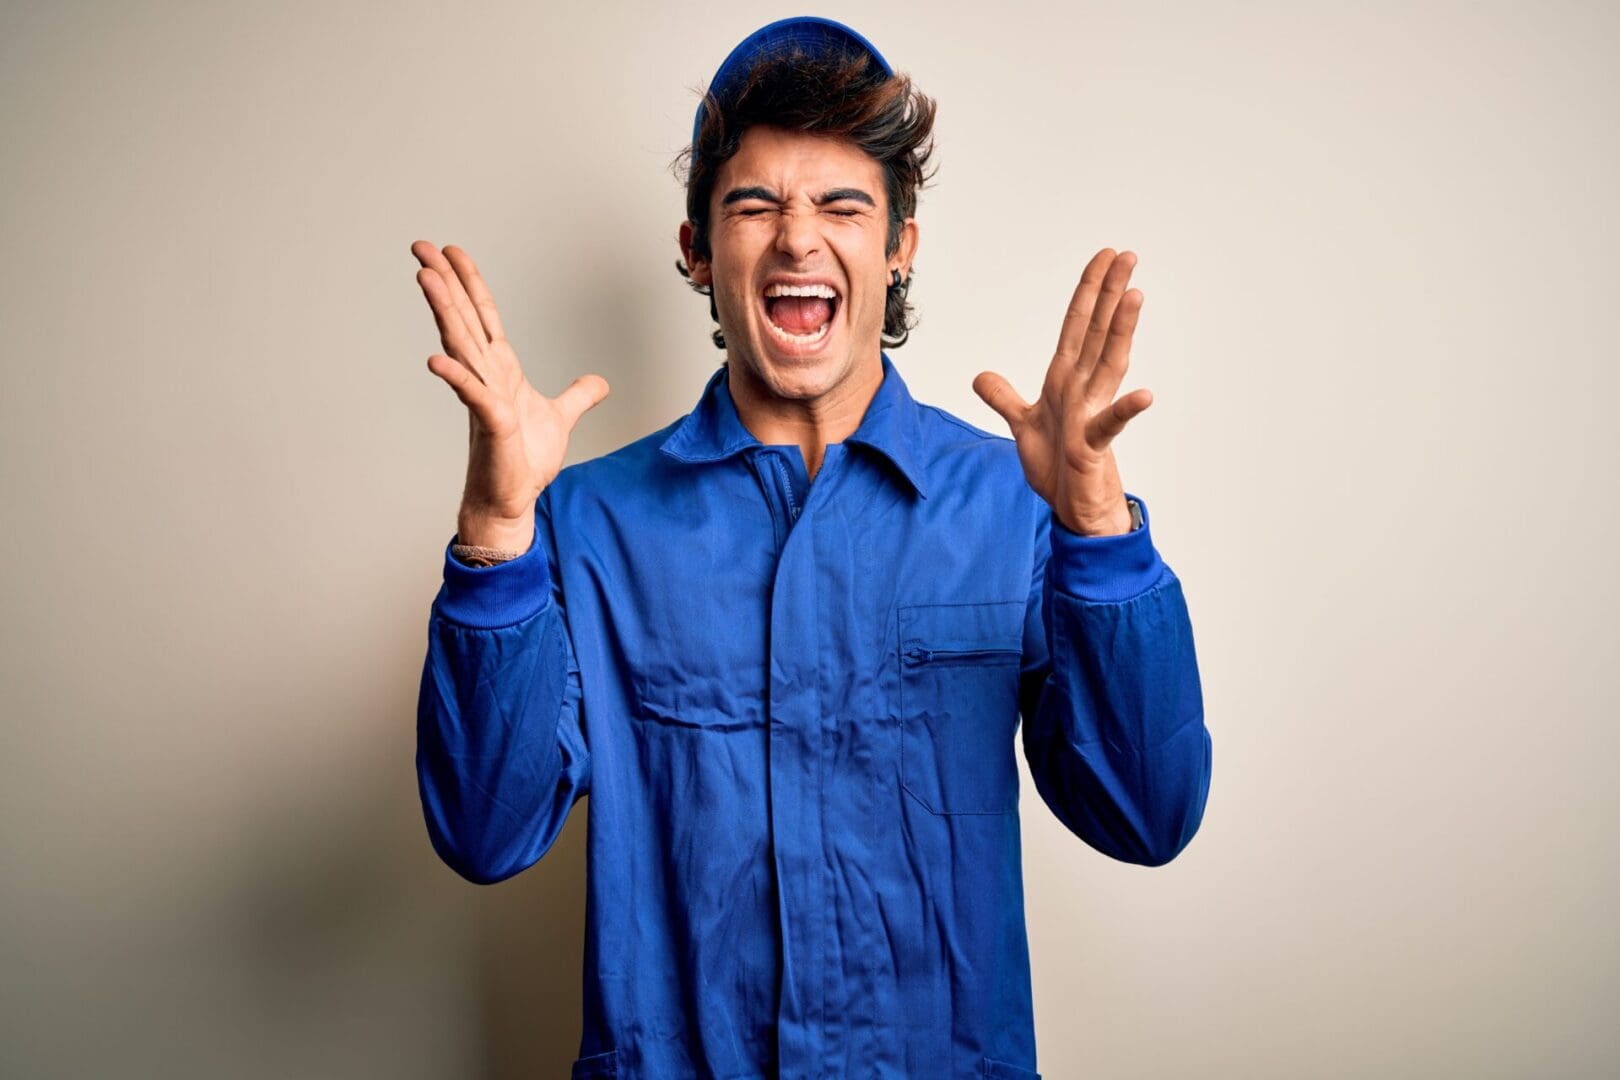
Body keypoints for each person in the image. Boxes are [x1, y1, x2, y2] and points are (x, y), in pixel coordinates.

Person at [412, 16, 1211, 1079]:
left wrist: (1097, 534)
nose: (798, 239)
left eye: (843, 205)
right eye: (754, 205)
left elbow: (1147, 815)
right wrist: (497, 533)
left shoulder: (1017, 508)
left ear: (898, 247)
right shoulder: (587, 522)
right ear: (697, 249)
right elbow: (483, 831)